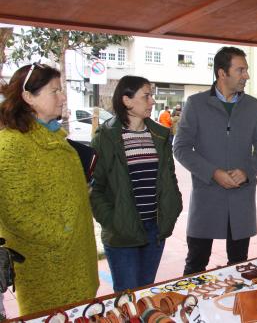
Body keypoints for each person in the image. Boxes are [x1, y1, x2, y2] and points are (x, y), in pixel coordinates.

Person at [0, 63, 98, 314]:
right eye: (54, 91)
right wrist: (63, 234)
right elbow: (16, 213)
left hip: (76, 258)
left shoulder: (55, 138)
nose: (62, 97)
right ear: (28, 96)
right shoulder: (11, 144)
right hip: (47, 264)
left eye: (61, 90)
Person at [174, 46, 257, 275]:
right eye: (241, 70)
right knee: (196, 264)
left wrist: (248, 171)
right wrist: (213, 173)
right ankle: (192, 308)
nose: (246, 75)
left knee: (239, 265)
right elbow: (181, 147)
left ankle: (235, 308)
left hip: (241, 198)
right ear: (222, 73)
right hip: (207, 196)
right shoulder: (195, 104)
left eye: (246, 70)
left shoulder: (253, 106)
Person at [90, 75, 182, 292]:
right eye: (146, 96)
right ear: (127, 100)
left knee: (145, 292)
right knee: (127, 296)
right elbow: (96, 187)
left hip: (155, 229)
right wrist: (113, 221)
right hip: (122, 232)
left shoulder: (160, 135)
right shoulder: (106, 136)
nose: (152, 102)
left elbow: (170, 176)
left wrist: (173, 206)